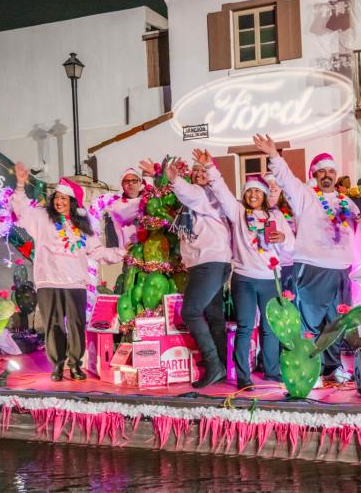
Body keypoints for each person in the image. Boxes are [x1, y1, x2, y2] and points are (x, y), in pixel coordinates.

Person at [253, 134, 361, 383]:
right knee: (309, 323)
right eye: (321, 171)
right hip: (313, 267)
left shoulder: (347, 202)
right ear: (315, 174)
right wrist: (273, 154)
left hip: (342, 270)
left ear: (336, 175)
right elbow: (286, 179)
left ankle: (332, 367)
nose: (327, 175)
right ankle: (308, 369)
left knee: (337, 322)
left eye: (331, 171)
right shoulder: (305, 195)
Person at [12, 163, 127, 381]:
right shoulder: (42, 218)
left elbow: (97, 251)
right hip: (49, 282)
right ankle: (57, 365)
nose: (59, 202)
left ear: (72, 202)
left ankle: (75, 365)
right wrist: (20, 184)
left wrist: (121, 252)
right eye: (56, 198)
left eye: (64, 198)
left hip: (75, 283)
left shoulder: (83, 227)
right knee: (53, 325)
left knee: (76, 325)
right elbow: (21, 210)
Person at [202, 149, 294, 389]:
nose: (253, 195)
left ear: (264, 195)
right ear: (244, 194)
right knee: (244, 326)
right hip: (243, 279)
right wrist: (210, 167)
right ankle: (243, 377)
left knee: (270, 328)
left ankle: (271, 372)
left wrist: (283, 238)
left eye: (258, 191)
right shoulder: (239, 212)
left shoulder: (276, 216)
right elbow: (221, 190)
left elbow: (292, 247)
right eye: (249, 191)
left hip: (270, 279)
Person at [140, 154, 232, 388]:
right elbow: (178, 197)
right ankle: (222, 364)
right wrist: (159, 175)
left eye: (204, 170)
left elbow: (187, 192)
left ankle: (214, 364)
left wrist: (172, 179)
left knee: (190, 312)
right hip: (208, 262)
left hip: (209, 261)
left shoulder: (205, 195)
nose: (199, 174)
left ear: (211, 174)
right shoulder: (196, 200)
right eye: (196, 170)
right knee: (213, 314)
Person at [105, 167, 145, 248]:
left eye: (134, 180)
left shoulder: (148, 200)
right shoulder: (116, 205)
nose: (130, 183)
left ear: (140, 183)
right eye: (126, 181)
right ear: (122, 185)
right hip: (126, 249)